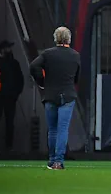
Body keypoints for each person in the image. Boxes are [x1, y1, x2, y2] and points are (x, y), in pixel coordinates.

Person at [30, 26, 80, 170]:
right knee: (62, 129)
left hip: (51, 94)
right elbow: (77, 76)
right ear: (68, 38)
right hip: (67, 95)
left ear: (55, 38)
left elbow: (33, 66)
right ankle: (59, 161)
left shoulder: (48, 54)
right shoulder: (75, 55)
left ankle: (52, 160)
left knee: (52, 129)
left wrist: (42, 82)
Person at [0, 40, 23, 156]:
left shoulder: (14, 63)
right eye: (8, 48)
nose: (10, 50)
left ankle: (9, 147)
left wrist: (16, 94)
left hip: (10, 97)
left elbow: (20, 80)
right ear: (2, 49)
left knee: (9, 122)